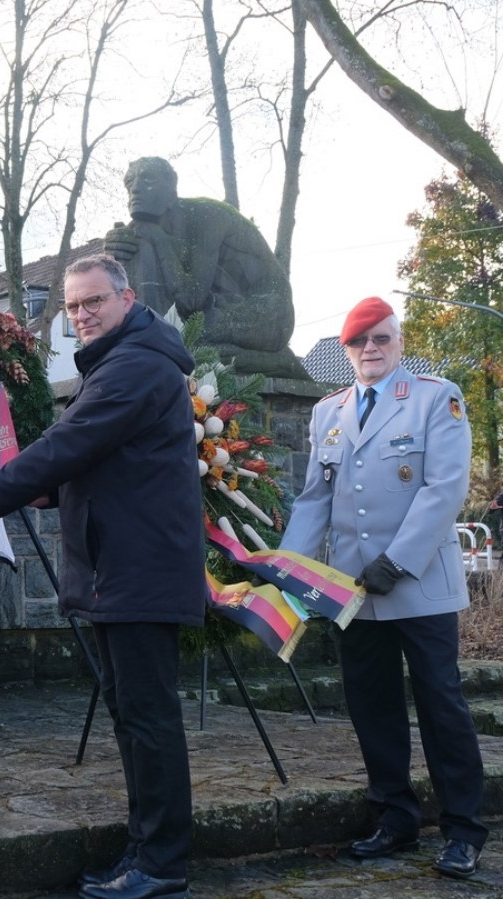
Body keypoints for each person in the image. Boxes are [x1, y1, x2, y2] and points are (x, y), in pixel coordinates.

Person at [0, 253, 204, 899]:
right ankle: (145, 847)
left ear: (126, 299)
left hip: (138, 571)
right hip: (125, 569)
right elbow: (99, 461)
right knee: (134, 716)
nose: (81, 314)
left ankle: (162, 863)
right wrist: (48, 495)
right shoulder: (123, 362)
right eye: (73, 306)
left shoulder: (133, 367)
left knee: (148, 719)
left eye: (93, 302)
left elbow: (64, 447)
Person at [279, 296, 486, 879]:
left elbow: (445, 488)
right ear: (345, 351)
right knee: (374, 708)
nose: (370, 349)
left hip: (417, 584)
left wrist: (397, 562)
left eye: (381, 339)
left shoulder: (433, 398)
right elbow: (315, 499)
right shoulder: (330, 412)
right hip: (354, 590)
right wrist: (288, 572)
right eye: (359, 342)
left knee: (441, 706)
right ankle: (394, 818)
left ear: (398, 342)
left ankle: (464, 830)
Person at [102, 156, 309, 380]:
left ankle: (159, 350)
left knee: (190, 345)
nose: (136, 189)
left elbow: (192, 298)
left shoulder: (208, 216)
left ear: (171, 185)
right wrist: (117, 246)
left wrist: (158, 239)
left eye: (147, 179)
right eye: (130, 182)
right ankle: (149, 345)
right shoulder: (151, 227)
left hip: (268, 314)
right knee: (138, 242)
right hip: (219, 306)